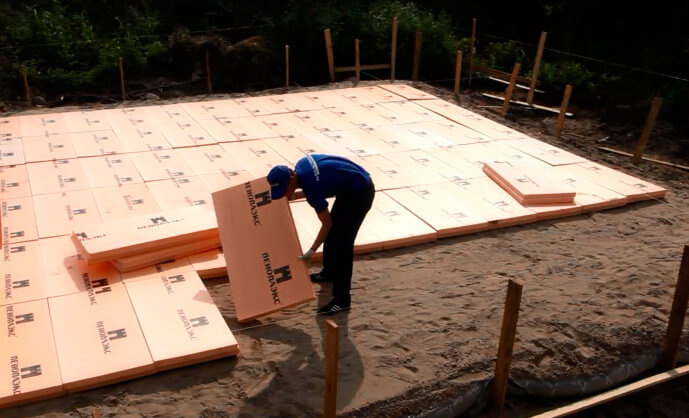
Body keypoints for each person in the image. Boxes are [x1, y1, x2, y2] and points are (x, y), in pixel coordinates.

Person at [267, 154, 375, 316]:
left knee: (342, 245)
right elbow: (323, 185)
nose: (284, 194)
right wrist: (296, 195)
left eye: (284, 190)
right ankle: (329, 273)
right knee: (334, 234)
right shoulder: (301, 165)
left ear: (292, 179)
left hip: (360, 192)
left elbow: (326, 224)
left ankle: (342, 300)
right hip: (349, 185)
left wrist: (311, 251)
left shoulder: (311, 187)